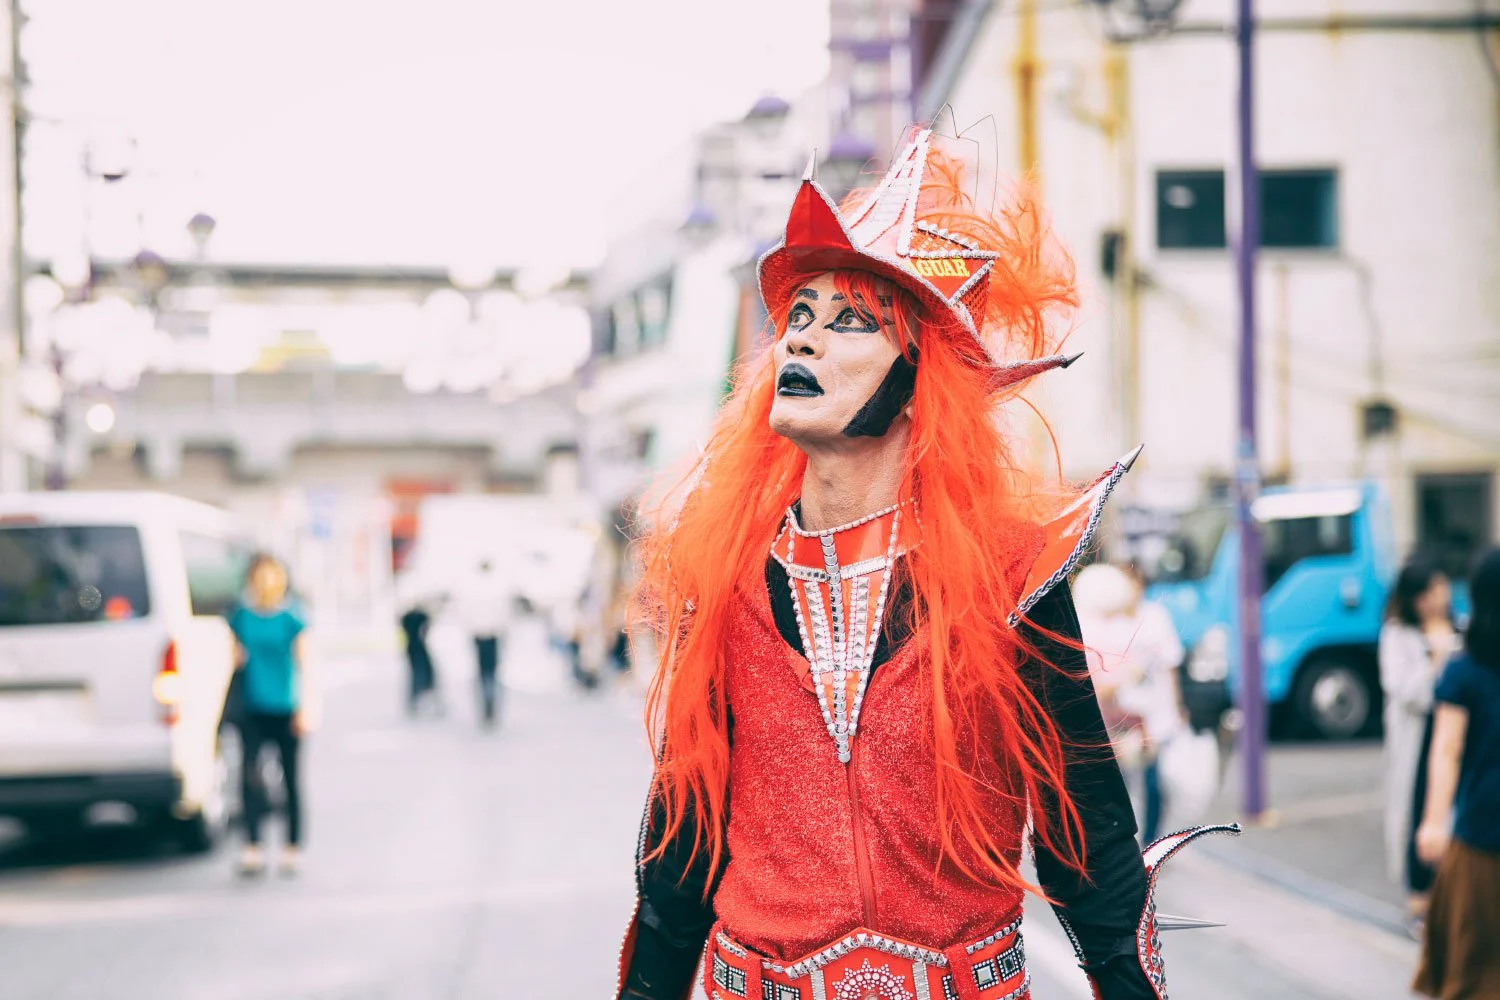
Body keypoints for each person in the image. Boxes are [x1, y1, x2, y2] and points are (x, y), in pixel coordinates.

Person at [615, 122, 1232, 1000]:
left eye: (849, 322)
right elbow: (681, 859)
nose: (800, 342)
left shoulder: (1015, 576)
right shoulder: (725, 579)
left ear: (921, 377)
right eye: (798, 318)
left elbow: (1086, 852)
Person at [1413, 548, 1500, 999]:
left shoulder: (1464, 670)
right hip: (1482, 837)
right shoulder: (1464, 672)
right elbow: (1446, 750)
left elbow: (1446, 750)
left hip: (1481, 838)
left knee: (1473, 968)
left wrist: (1432, 821)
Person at [1074, 561, 1188, 844]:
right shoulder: (1104, 621)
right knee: (1119, 780)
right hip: (1118, 716)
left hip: (1154, 713)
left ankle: (1151, 841)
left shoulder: (1155, 616)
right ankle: (1122, 840)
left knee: (1153, 781)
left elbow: (1169, 664)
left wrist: (1177, 707)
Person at [227, 553, 316, 877]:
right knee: (249, 778)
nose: (265, 582)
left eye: (271, 575)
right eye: (259, 575)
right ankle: (252, 846)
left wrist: (307, 707)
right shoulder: (241, 615)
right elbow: (232, 655)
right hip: (252, 706)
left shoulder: (292, 616)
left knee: (291, 779)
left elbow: (306, 663)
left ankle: (291, 847)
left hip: (287, 708)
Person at [1379, 556, 1456, 928]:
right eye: (1431, 591)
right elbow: (1407, 690)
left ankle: (1446, 895)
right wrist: (1437, 659)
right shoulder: (1397, 633)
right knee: (1416, 813)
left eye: (1441, 589)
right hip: (1416, 737)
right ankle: (1418, 901)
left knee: (1449, 812)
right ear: (1414, 598)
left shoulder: (1457, 627)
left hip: (1452, 735)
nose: (1439, 598)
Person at [451, 559, 513, 728]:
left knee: (482, 673)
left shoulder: (472, 589)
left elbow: (464, 614)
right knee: (492, 673)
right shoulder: (498, 588)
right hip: (492, 634)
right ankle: (491, 705)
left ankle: (486, 705)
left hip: (479, 634)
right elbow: (505, 615)